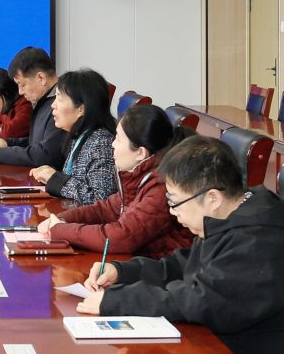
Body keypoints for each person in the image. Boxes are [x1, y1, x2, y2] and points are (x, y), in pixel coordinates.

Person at [78, 135, 284, 354]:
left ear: (212, 198)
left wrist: (118, 300)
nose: (173, 212)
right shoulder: (230, 220)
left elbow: (203, 301)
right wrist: (123, 272)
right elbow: (183, 266)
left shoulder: (259, 241)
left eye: (175, 202)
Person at [37, 104, 192, 258]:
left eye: (118, 139)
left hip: (161, 268)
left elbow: (120, 237)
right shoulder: (138, 175)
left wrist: (61, 229)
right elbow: (106, 209)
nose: (112, 144)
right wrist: (61, 219)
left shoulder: (160, 186)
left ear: (140, 153)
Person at [30, 68, 119, 205]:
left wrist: (55, 179)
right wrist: (51, 174)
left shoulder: (101, 142)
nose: (53, 105)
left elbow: (100, 198)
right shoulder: (81, 134)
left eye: (59, 99)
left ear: (81, 109)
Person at [0, 47, 65, 169]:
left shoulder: (61, 105)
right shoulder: (43, 101)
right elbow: (37, 143)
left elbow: (45, 155)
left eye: (23, 85)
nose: (20, 92)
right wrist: (8, 143)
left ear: (41, 78)